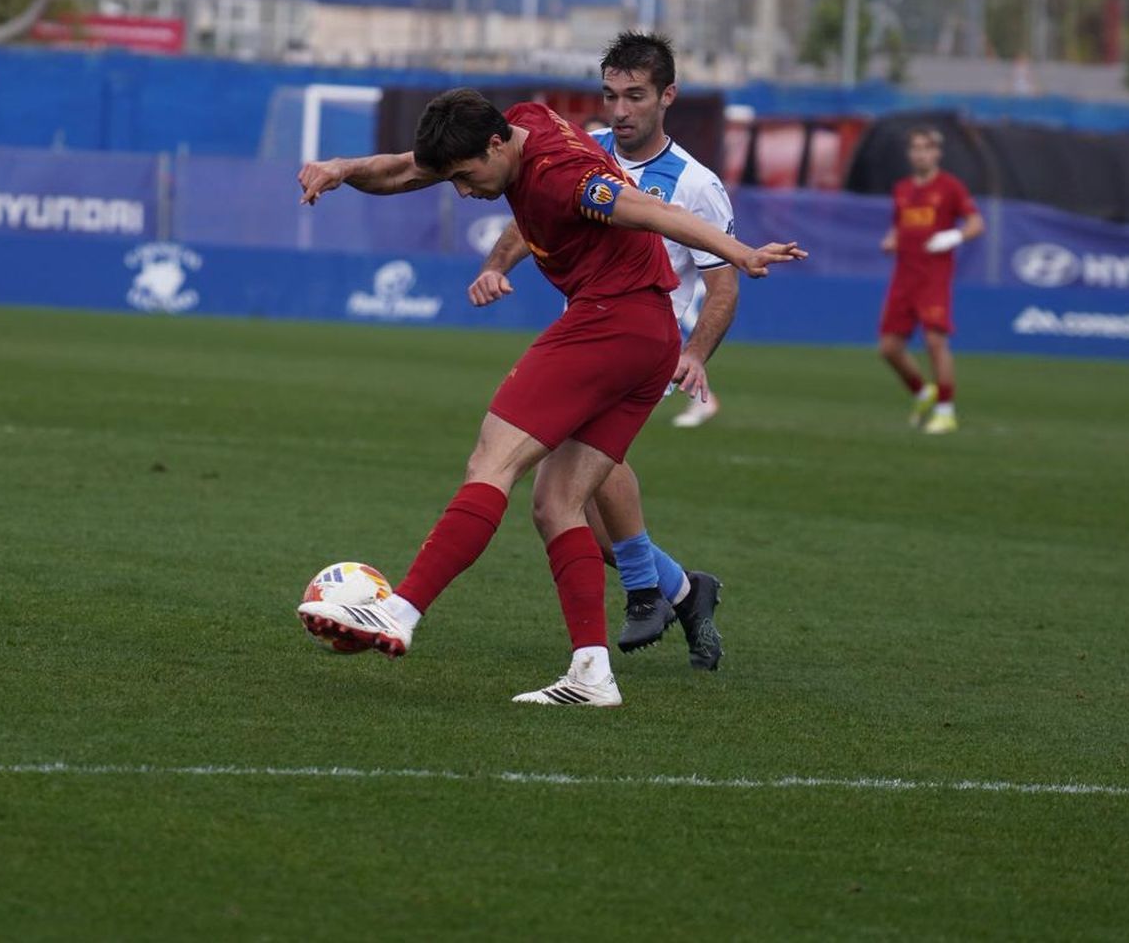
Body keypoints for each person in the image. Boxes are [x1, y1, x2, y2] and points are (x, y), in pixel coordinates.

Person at [294, 88, 806, 705]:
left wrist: (740, 252)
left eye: (465, 177)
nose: (461, 191)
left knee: (492, 463)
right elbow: (408, 169)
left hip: (610, 322)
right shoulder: (521, 124)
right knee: (557, 503)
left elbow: (648, 208)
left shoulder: (567, 177)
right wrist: (342, 170)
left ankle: (400, 611)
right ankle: (591, 674)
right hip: (646, 338)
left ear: (494, 145)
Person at [468, 31, 736, 669]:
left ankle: (647, 591)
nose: (620, 110)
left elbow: (722, 284)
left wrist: (696, 353)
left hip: (641, 344)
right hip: (584, 332)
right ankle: (681, 589)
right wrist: (495, 265)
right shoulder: (581, 152)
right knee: (576, 518)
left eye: (635, 97)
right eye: (611, 95)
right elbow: (529, 215)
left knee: (563, 483)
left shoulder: (695, 184)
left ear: (667, 97)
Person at [878, 126, 984, 434]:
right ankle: (924, 393)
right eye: (916, 148)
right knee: (888, 348)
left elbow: (977, 223)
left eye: (927, 148)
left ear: (937, 153)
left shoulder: (950, 187)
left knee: (935, 341)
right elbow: (899, 227)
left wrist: (953, 235)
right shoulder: (902, 189)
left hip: (933, 277)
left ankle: (946, 411)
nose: (921, 154)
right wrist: (891, 240)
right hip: (903, 277)